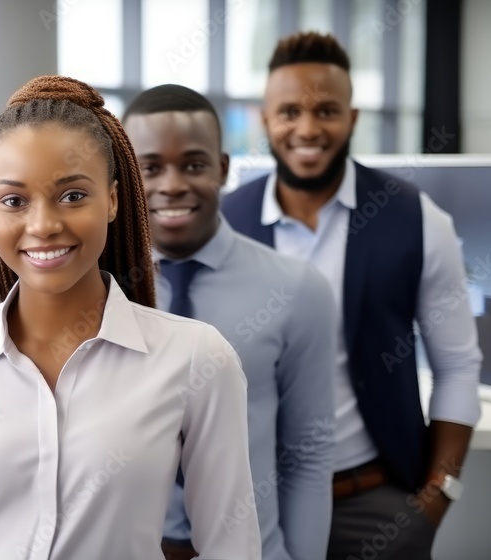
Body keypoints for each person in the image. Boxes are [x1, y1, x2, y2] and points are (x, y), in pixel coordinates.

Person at [0, 76, 261, 559]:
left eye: (73, 195)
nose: (43, 226)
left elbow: (232, 546)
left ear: (115, 200)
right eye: (14, 201)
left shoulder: (196, 357)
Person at [222, 31, 483, 560]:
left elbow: (457, 365)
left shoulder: (417, 219)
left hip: (374, 504)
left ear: (353, 118)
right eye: (289, 110)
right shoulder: (224, 225)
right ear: (266, 118)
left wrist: (437, 496)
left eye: (326, 110)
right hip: (252, 505)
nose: (307, 128)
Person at [123, 84, 337, 560]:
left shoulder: (298, 289)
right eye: (151, 167)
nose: (173, 184)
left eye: (194, 165)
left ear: (222, 168)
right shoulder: (94, 290)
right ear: (124, 176)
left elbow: (308, 451)